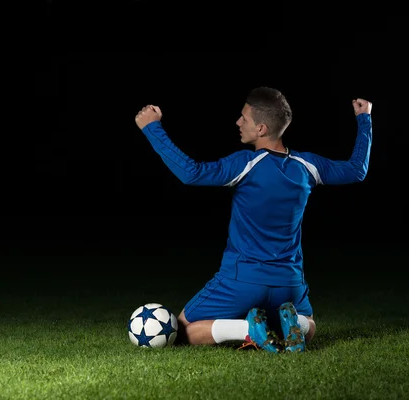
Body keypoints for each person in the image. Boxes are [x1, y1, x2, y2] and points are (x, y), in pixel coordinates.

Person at [134, 87, 372, 353]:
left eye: (243, 118)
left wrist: (152, 128)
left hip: (241, 281)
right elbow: (357, 170)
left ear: (260, 129)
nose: (238, 122)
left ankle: (246, 330)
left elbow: (191, 173)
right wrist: (365, 118)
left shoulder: (246, 164)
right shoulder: (308, 166)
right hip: (289, 284)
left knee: (182, 328)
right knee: (310, 326)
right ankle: (288, 323)